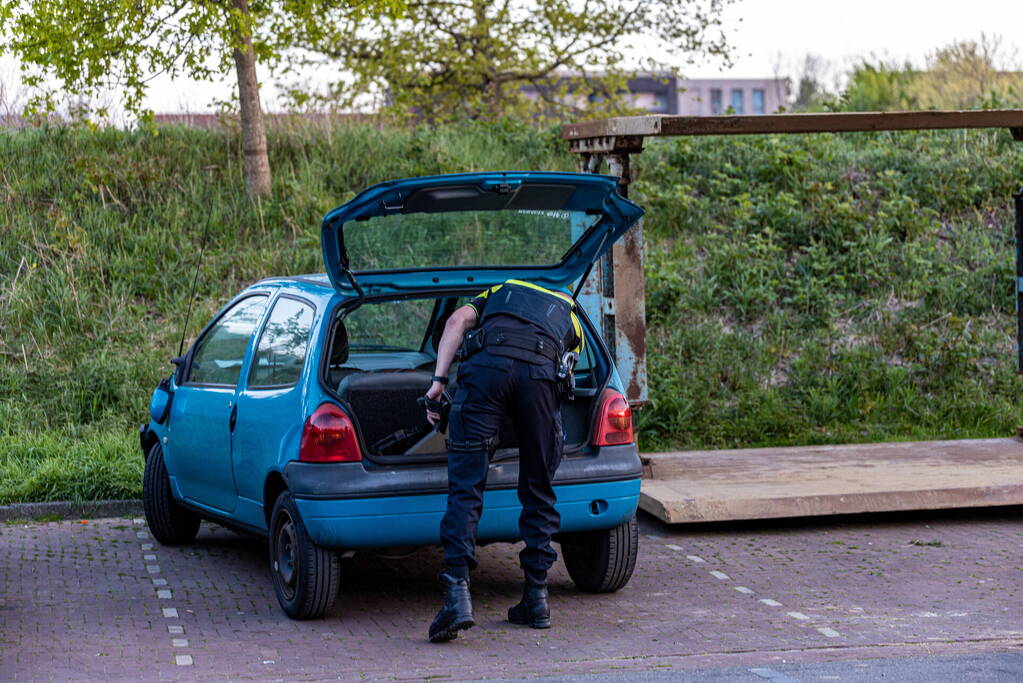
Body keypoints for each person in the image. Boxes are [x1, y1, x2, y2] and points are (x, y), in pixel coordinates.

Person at [423, 278, 583, 643]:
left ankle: (457, 597)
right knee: (538, 488)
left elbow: (456, 322)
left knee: (466, 487)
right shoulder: (570, 311)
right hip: (540, 377)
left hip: (485, 373)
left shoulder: (499, 291)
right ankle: (537, 598)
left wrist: (438, 382)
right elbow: (568, 368)